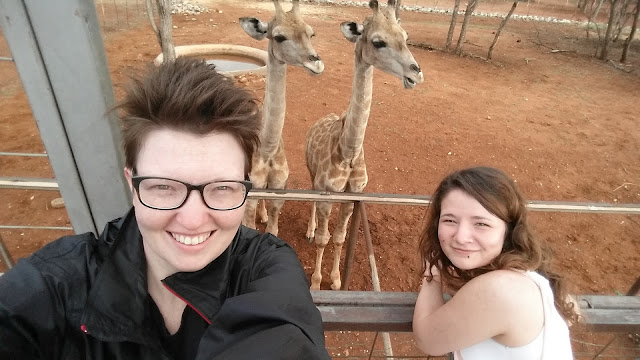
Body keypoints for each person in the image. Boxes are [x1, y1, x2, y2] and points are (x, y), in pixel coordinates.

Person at [0, 57, 330, 360]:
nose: (192, 219)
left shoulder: (265, 266)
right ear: (132, 184)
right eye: (164, 187)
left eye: (222, 188)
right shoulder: (56, 285)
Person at [412, 166, 577, 360]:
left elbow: (428, 341)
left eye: (481, 224)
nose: (461, 237)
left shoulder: (499, 289)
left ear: (508, 230)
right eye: (450, 220)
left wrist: (431, 273)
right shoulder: (532, 277)